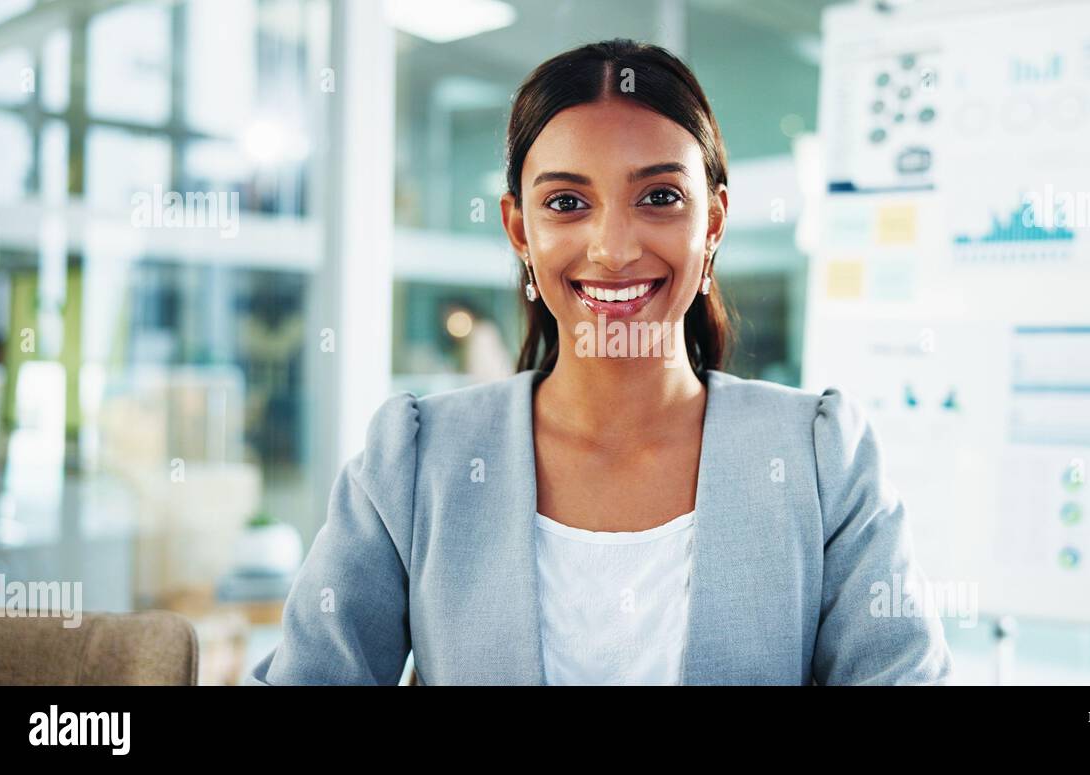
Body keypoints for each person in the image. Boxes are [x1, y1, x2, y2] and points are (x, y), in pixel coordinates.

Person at [247, 38, 952, 686]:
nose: (613, 248)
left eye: (660, 197)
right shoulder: (416, 459)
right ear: (519, 229)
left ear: (713, 223)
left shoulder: (821, 455)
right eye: (566, 202)